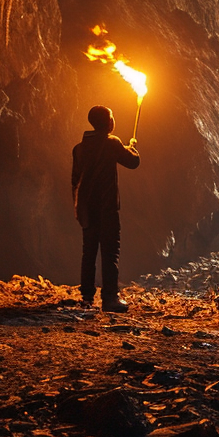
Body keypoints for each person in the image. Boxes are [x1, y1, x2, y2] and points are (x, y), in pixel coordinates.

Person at [71, 105, 140, 312]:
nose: (113, 120)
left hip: (87, 209)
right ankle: (110, 298)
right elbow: (133, 162)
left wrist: (79, 209)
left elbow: (74, 180)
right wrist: (133, 147)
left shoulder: (79, 148)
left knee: (89, 252)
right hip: (107, 208)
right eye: (112, 117)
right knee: (110, 252)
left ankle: (86, 298)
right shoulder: (112, 143)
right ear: (107, 122)